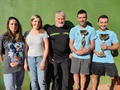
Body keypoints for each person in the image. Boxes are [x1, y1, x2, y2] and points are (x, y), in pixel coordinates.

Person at [91, 15, 120, 90]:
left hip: (109, 60)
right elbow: (90, 45)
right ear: (98, 23)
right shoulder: (94, 33)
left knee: (115, 78)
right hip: (96, 60)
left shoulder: (111, 33)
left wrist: (107, 47)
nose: (103, 24)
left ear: (107, 23)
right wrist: (95, 51)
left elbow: (117, 45)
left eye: (105, 22)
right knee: (95, 76)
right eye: (101, 22)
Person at [69, 10, 95, 90]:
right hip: (75, 56)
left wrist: (87, 50)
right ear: (77, 18)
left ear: (86, 18)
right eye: (80, 18)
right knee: (76, 73)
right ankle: (77, 87)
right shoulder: (73, 29)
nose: (82, 19)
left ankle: (82, 88)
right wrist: (75, 52)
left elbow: (92, 44)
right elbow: (70, 44)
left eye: (83, 17)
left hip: (86, 56)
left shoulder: (91, 30)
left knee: (83, 74)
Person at [24, 14, 49, 90]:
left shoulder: (43, 33)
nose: (37, 23)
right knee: (33, 82)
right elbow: (25, 49)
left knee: (42, 82)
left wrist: (43, 61)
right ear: (31, 22)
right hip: (30, 59)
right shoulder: (27, 34)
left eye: (39, 22)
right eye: (35, 21)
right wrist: (25, 62)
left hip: (40, 59)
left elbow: (47, 48)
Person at [47, 10, 70, 90]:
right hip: (54, 58)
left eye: (62, 19)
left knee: (66, 78)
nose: (60, 21)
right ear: (55, 19)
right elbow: (46, 45)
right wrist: (49, 56)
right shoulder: (50, 29)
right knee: (56, 77)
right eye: (59, 19)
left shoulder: (68, 29)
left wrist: (71, 52)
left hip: (65, 58)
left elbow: (72, 42)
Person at [0, 17, 25, 90]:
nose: (14, 26)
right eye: (12, 24)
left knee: (18, 87)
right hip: (8, 68)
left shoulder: (21, 38)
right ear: (8, 25)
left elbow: (23, 51)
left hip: (20, 67)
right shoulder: (3, 37)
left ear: (18, 26)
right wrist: (6, 62)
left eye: (16, 24)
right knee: (10, 88)